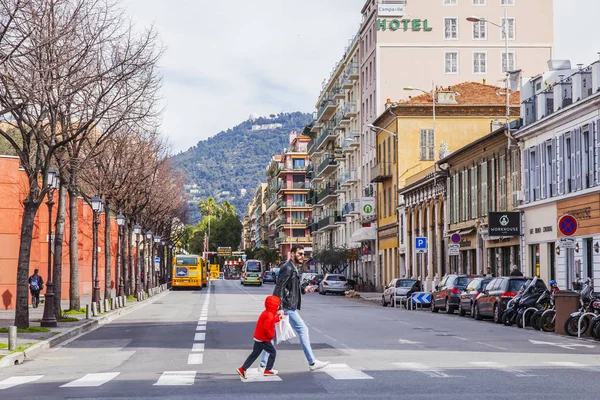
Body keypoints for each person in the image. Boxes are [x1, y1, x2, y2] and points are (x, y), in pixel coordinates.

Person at [258, 245, 330, 372]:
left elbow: (291, 287)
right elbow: (279, 287)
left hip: (286, 306)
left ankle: (262, 365)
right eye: (299, 254)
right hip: (286, 307)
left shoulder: (292, 268)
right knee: (303, 330)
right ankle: (312, 362)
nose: (302, 256)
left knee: (273, 336)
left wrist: (304, 289)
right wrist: (279, 307)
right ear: (292, 254)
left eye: (303, 254)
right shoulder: (288, 268)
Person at [237, 295, 281, 379]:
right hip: (263, 339)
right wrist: (271, 336)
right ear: (274, 306)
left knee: (254, 354)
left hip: (258, 338)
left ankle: (243, 369)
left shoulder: (266, 312)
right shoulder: (270, 315)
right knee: (272, 352)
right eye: (277, 305)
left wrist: (278, 318)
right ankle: (268, 370)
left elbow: (270, 321)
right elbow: (266, 328)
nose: (278, 306)